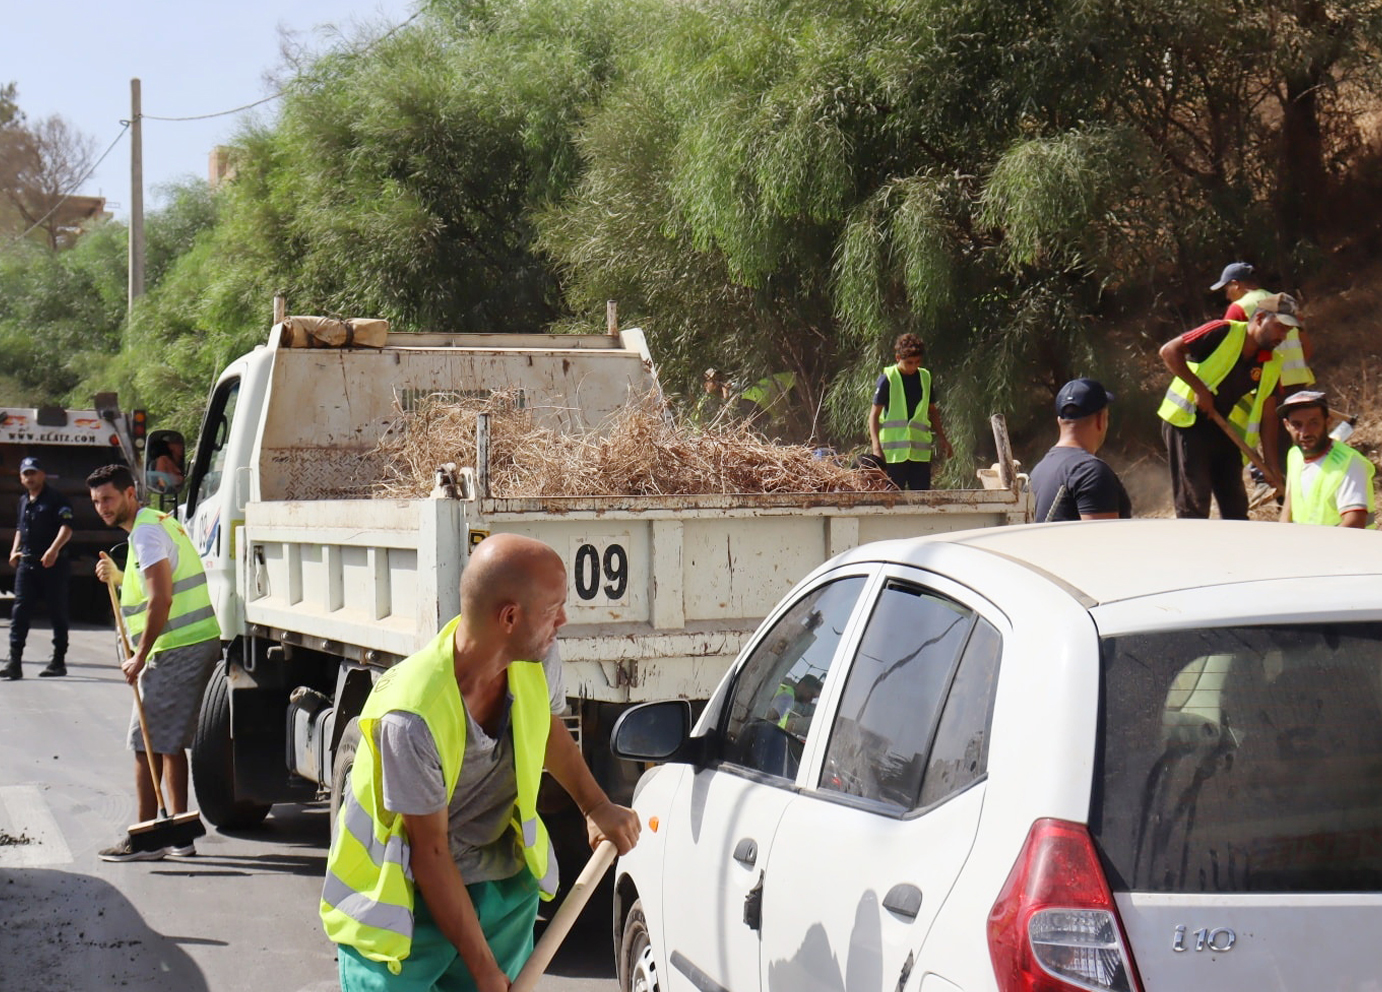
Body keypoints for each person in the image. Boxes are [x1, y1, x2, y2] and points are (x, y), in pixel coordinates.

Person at [321, 533, 640, 991]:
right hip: (404, 913)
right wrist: (484, 970)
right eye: (553, 609)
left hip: (498, 893)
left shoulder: (536, 660)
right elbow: (431, 854)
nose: (563, 621)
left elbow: (545, 727)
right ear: (510, 617)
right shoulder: (411, 717)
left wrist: (595, 806)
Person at [88, 463, 221, 862]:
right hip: (188, 643)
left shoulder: (145, 533)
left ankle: (146, 838)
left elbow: (161, 598)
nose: (102, 507)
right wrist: (117, 578)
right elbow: (151, 587)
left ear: (130, 494)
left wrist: (139, 656)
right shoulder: (156, 523)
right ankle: (180, 835)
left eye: (108, 498)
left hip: (176, 647)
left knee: (143, 743)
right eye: (96, 501)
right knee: (167, 742)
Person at [1157, 293, 1297, 519]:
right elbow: (1169, 351)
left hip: (1223, 427)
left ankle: (1236, 540)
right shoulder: (1222, 331)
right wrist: (1200, 390)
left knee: (1235, 504)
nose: (1283, 336)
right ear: (1260, 318)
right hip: (1187, 421)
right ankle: (1193, 539)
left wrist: (1271, 466)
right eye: (1280, 327)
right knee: (1195, 500)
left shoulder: (1271, 362)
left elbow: (1268, 415)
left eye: (1288, 330)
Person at [4, 456, 73, 680]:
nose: (30, 477)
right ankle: (14, 662)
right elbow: (20, 528)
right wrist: (14, 550)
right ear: (21, 478)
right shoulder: (24, 500)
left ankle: (58, 661)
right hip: (27, 564)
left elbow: (67, 527)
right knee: (19, 612)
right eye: (26, 474)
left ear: (42, 475)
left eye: (33, 473)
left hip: (53, 565)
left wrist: (53, 550)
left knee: (57, 612)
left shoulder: (56, 499)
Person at [1028, 379, 1131, 522]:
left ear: (1059, 421)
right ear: (1100, 420)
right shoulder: (1090, 473)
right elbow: (1104, 535)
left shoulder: (1039, 470)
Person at [1277, 390, 1375, 528]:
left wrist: (1318, 543)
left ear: (1328, 422)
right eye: (1297, 425)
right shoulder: (1295, 455)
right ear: (1287, 425)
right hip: (1306, 541)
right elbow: (1289, 504)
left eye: (1313, 423)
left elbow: (1354, 523)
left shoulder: (1349, 463)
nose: (1305, 433)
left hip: (1345, 542)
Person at [868, 333, 952, 491]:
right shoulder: (888, 378)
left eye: (917, 362)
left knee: (921, 499)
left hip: (919, 454)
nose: (914, 366)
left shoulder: (925, 378)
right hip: (893, 455)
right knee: (891, 499)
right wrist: (876, 448)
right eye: (909, 363)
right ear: (898, 358)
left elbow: (932, 411)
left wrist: (942, 438)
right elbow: (874, 415)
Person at [1213, 262, 1314, 392]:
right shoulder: (1285, 303)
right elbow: (1307, 348)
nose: (1227, 296)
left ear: (1235, 284)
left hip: (1266, 388)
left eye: (1227, 289)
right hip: (1298, 383)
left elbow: (1225, 352)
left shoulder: (1239, 308)